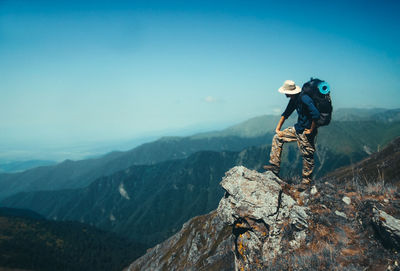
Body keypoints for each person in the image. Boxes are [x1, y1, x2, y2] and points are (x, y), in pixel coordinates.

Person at [264, 80, 320, 190]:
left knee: (307, 156)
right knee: (278, 137)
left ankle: (306, 183)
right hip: (297, 129)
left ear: (290, 92)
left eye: (285, 92)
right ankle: (274, 165)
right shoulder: (294, 99)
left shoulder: (304, 98)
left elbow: (316, 114)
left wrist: (311, 129)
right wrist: (278, 128)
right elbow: (286, 113)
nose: (285, 94)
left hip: (305, 132)